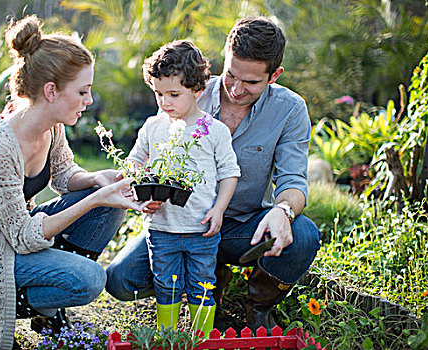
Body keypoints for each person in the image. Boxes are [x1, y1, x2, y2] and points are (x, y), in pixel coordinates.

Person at [0, 15, 148, 349]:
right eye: (82, 91)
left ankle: (47, 309)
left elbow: (65, 177)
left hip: (14, 234)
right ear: (51, 91)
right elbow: (23, 237)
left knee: (107, 205)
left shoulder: (51, 124)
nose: (89, 100)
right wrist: (97, 197)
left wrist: (97, 179)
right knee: (90, 278)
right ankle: (31, 302)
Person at [106, 17, 321, 332]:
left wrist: (283, 211)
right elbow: (153, 154)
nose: (235, 88)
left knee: (303, 235)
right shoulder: (188, 92)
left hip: (241, 228)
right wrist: (149, 190)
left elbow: (293, 182)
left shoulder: (290, 110)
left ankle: (257, 306)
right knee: (121, 281)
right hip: (181, 223)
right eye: (231, 74)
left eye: (250, 82)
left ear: (274, 76)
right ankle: (200, 281)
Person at [128, 40, 240, 336]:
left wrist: (219, 209)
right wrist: (144, 191)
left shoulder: (214, 131)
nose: (165, 102)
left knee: (202, 281)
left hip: (201, 228)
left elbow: (230, 172)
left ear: (197, 90)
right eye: (158, 93)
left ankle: (202, 337)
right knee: (165, 280)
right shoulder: (153, 126)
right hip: (162, 226)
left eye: (173, 94)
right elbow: (134, 162)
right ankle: (169, 335)